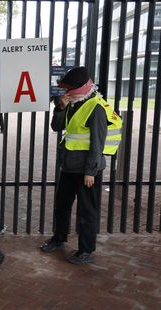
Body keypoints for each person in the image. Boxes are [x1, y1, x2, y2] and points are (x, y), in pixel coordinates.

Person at [40, 66, 122, 264]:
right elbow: (56, 127)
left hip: (87, 171)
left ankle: (86, 250)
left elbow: (97, 143)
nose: (66, 92)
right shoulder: (73, 103)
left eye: (69, 89)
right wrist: (59, 108)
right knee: (62, 206)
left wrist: (90, 171)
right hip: (69, 166)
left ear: (81, 87)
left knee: (87, 211)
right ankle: (59, 238)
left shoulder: (96, 107)